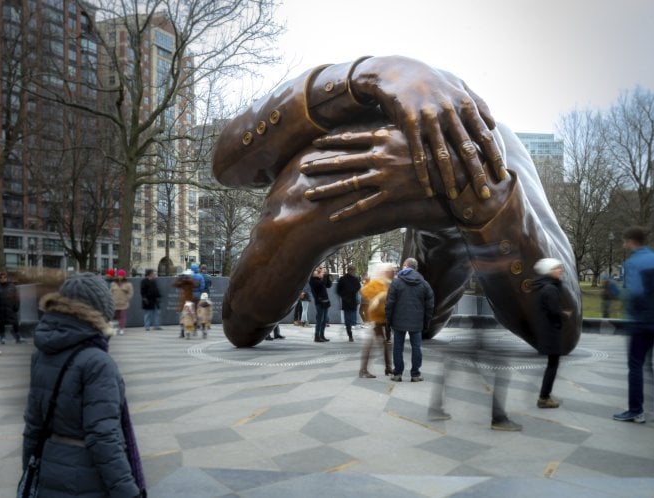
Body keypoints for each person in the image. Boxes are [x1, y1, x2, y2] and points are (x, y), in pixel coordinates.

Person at [210, 55, 582, 351]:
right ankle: (299, 224)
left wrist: (472, 184)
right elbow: (225, 163)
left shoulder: (492, 144)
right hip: (407, 193)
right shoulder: (356, 101)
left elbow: (563, 328)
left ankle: (457, 209)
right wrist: (365, 73)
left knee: (298, 203)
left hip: (461, 198)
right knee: (297, 203)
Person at [22, 272, 144, 497]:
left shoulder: (41, 353)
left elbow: (33, 426)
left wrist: (29, 473)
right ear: (98, 311)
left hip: (50, 468)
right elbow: (103, 437)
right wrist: (128, 491)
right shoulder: (97, 362)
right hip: (86, 478)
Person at [613, 226, 654, 423]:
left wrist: (616, 292)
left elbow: (635, 293)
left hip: (638, 321)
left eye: (625, 242)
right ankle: (650, 406)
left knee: (635, 365)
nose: (624, 245)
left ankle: (636, 409)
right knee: (649, 364)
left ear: (631, 241)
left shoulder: (633, 262)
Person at [385, 258, 434, 382]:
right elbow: (430, 306)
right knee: (416, 347)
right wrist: (426, 322)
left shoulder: (396, 283)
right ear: (416, 268)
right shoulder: (424, 283)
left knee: (398, 347)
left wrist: (388, 321)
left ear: (405, 266)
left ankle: (397, 374)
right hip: (416, 322)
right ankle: (415, 374)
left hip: (398, 321)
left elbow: (389, 304)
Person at [533, 258, 567, 409]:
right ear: (549, 271)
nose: (560, 270)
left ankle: (545, 395)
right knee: (552, 365)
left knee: (552, 365)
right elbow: (554, 312)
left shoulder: (545, 287)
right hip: (551, 332)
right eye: (557, 268)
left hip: (547, 331)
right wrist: (564, 315)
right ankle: (544, 398)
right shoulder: (550, 289)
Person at [358, 263, 395, 378]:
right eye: (391, 271)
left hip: (382, 317)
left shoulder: (388, 283)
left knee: (383, 343)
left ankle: (387, 367)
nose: (393, 273)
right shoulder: (377, 282)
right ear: (385, 272)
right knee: (373, 344)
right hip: (376, 318)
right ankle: (364, 370)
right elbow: (364, 291)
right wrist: (377, 297)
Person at [0, 271, 22, 344]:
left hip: (10, 308)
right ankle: (3, 337)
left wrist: (16, 306)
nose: (3, 279)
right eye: (1, 278)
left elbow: (16, 298)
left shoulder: (12, 286)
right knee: (1, 323)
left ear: (7, 278)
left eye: (4, 277)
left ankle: (18, 336)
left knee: (15, 322)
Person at [336, 265, 362, 342]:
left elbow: (358, 286)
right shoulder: (342, 279)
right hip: (346, 301)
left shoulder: (355, 279)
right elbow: (338, 290)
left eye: (354, 270)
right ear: (349, 270)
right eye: (352, 270)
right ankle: (350, 334)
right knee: (347, 319)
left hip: (353, 301)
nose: (353, 272)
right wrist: (344, 295)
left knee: (352, 318)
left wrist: (353, 291)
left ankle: (351, 327)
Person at [308, 267, 332, 342]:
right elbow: (321, 284)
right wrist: (324, 276)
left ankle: (322, 335)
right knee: (320, 320)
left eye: (319, 272)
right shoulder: (312, 280)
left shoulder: (320, 279)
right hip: (319, 302)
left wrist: (327, 276)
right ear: (312, 274)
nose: (319, 273)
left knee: (324, 320)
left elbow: (328, 285)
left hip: (325, 301)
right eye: (317, 272)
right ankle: (317, 336)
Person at [173, 270, 197, 338]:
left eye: (187, 276)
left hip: (189, 303)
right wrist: (180, 278)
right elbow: (175, 284)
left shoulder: (190, 283)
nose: (186, 278)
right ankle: (182, 332)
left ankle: (192, 329)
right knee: (182, 319)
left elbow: (196, 284)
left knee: (191, 318)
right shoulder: (182, 283)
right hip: (183, 304)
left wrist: (189, 279)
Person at [110, 269, 133, 335]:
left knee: (122, 316)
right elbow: (110, 292)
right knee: (116, 316)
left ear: (124, 276)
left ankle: (122, 328)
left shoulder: (128, 284)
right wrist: (111, 299)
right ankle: (118, 326)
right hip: (115, 303)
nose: (120, 276)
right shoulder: (113, 283)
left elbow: (130, 293)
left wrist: (126, 299)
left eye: (121, 275)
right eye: (119, 275)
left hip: (124, 303)